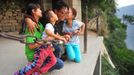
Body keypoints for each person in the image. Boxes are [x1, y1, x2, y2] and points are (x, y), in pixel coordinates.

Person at [14, 3, 63, 75]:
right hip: (34, 54)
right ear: (33, 11)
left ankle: (39, 68)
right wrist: (46, 40)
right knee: (59, 64)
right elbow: (31, 46)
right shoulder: (31, 26)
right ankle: (32, 68)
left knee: (56, 50)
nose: (41, 10)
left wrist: (27, 19)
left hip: (41, 50)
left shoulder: (39, 24)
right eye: (39, 9)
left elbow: (49, 25)